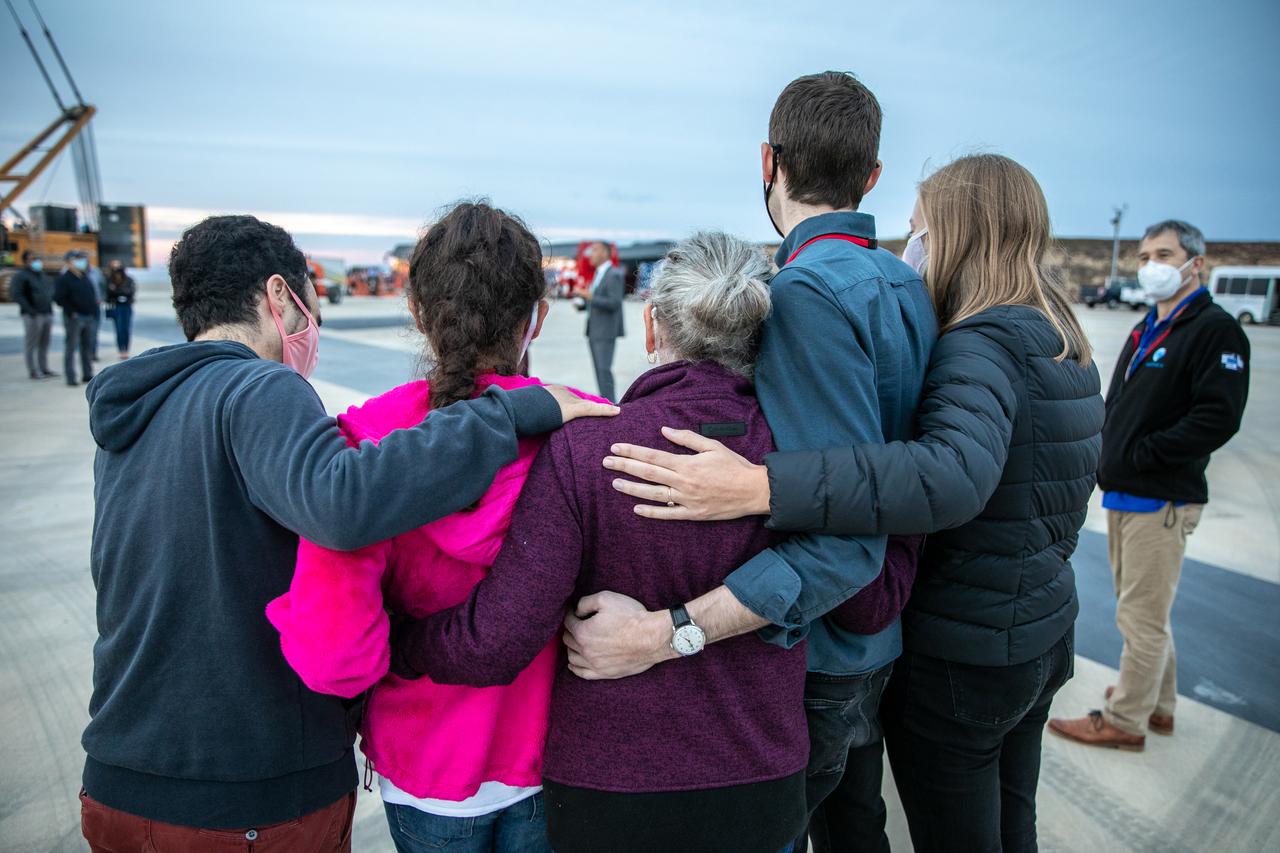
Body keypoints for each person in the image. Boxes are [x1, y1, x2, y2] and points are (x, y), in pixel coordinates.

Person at [597, 154, 1104, 852]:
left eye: (920, 224)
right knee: (1002, 822)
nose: (912, 241)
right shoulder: (1056, 336)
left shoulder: (980, 343)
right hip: (1039, 628)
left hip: (967, 647)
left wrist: (762, 485)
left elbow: (948, 477)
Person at [79, 214, 615, 852]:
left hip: (127, 770)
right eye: (308, 299)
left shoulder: (137, 412)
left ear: (418, 312)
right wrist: (516, 411)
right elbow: (342, 502)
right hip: (253, 789)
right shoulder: (261, 390)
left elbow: (336, 647)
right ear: (280, 296)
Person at [529, 72, 939, 853]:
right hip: (883, 635)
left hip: (820, 648)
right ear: (873, 176)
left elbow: (840, 538)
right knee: (856, 825)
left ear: (767, 161)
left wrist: (669, 628)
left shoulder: (806, 293)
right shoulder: (905, 284)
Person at [383, 231, 819, 853]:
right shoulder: (798, 463)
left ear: (650, 328)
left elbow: (497, 639)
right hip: (761, 778)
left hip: (611, 788)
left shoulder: (587, 452)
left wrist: (396, 643)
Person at [266, 202, 601, 853]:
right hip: (555, 754)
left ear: (418, 314)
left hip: (421, 762)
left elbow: (335, 657)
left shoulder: (366, 446)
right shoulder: (583, 428)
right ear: (537, 316)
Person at [1049, 220, 1250, 751]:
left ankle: (1125, 718)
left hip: (1160, 495)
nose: (1151, 266)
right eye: (1143, 256)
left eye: (1164, 254)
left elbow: (1218, 417)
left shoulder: (1214, 330)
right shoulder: (1148, 326)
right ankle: (1157, 703)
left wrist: (1142, 455)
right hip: (1125, 491)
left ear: (1195, 264)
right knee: (1145, 610)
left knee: (1141, 618)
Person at [581, 240, 625, 400]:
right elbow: (596, 301)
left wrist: (591, 297)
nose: (590, 254)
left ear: (605, 253)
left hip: (605, 331)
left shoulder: (613, 274)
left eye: (594, 250)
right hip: (593, 330)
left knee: (604, 370)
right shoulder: (598, 274)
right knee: (598, 371)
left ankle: (611, 404)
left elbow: (615, 302)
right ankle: (604, 401)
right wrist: (582, 304)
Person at [53, 249, 97, 385]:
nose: (81, 262)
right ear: (69, 262)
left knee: (87, 347)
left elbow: (91, 295)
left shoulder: (84, 277)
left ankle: (87, 373)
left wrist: (92, 311)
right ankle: (71, 377)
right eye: (76, 259)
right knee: (71, 347)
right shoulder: (64, 279)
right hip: (74, 318)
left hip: (88, 317)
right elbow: (59, 298)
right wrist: (72, 312)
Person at [12, 250, 56, 379]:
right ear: (26, 261)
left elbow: (47, 292)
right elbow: (17, 294)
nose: (37, 261)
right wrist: (30, 310)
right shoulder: (21, 276)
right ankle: (33, 370)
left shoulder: (41, 275)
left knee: (44, 343)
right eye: (33, 259)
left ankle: (44, 368)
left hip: (46, 312)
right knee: (31, 343)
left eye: (37, 258)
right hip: (32, 315)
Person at [105, 260, 137, 359]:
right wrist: (118, 292)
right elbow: (108, 294)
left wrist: (116, 290)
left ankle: (126, 350)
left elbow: (130, 292)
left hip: (126, 306)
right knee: (118, 329)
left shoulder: (128, 280)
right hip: (116, 307)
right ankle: (120, 350)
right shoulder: (109, 280)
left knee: (126, 329)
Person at [87, 259, 106, 361]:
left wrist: (102, 298)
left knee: (94, 331)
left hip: (96, 307)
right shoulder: (73, 274)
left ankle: (93, 353)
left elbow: (103, 285)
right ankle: (85, 354)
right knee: (84, 334)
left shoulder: (96, 272)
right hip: (82, 309)